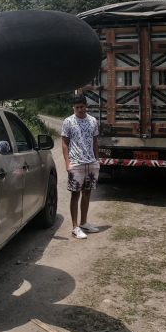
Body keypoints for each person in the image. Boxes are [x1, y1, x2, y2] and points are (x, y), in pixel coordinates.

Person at [61, 93, 100, 239]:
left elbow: (95, 141)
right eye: (77, 107)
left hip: (91, 163)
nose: (79, 110)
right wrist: (67, 163)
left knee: (87, 193)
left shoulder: (93, 121)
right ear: (74, 107)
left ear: (86, 106)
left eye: (82, 107)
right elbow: (64, 143)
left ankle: (84, 223)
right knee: (75, 194)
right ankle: (75, 227)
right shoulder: (68, 122)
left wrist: (97, 160)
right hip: (76, 163)